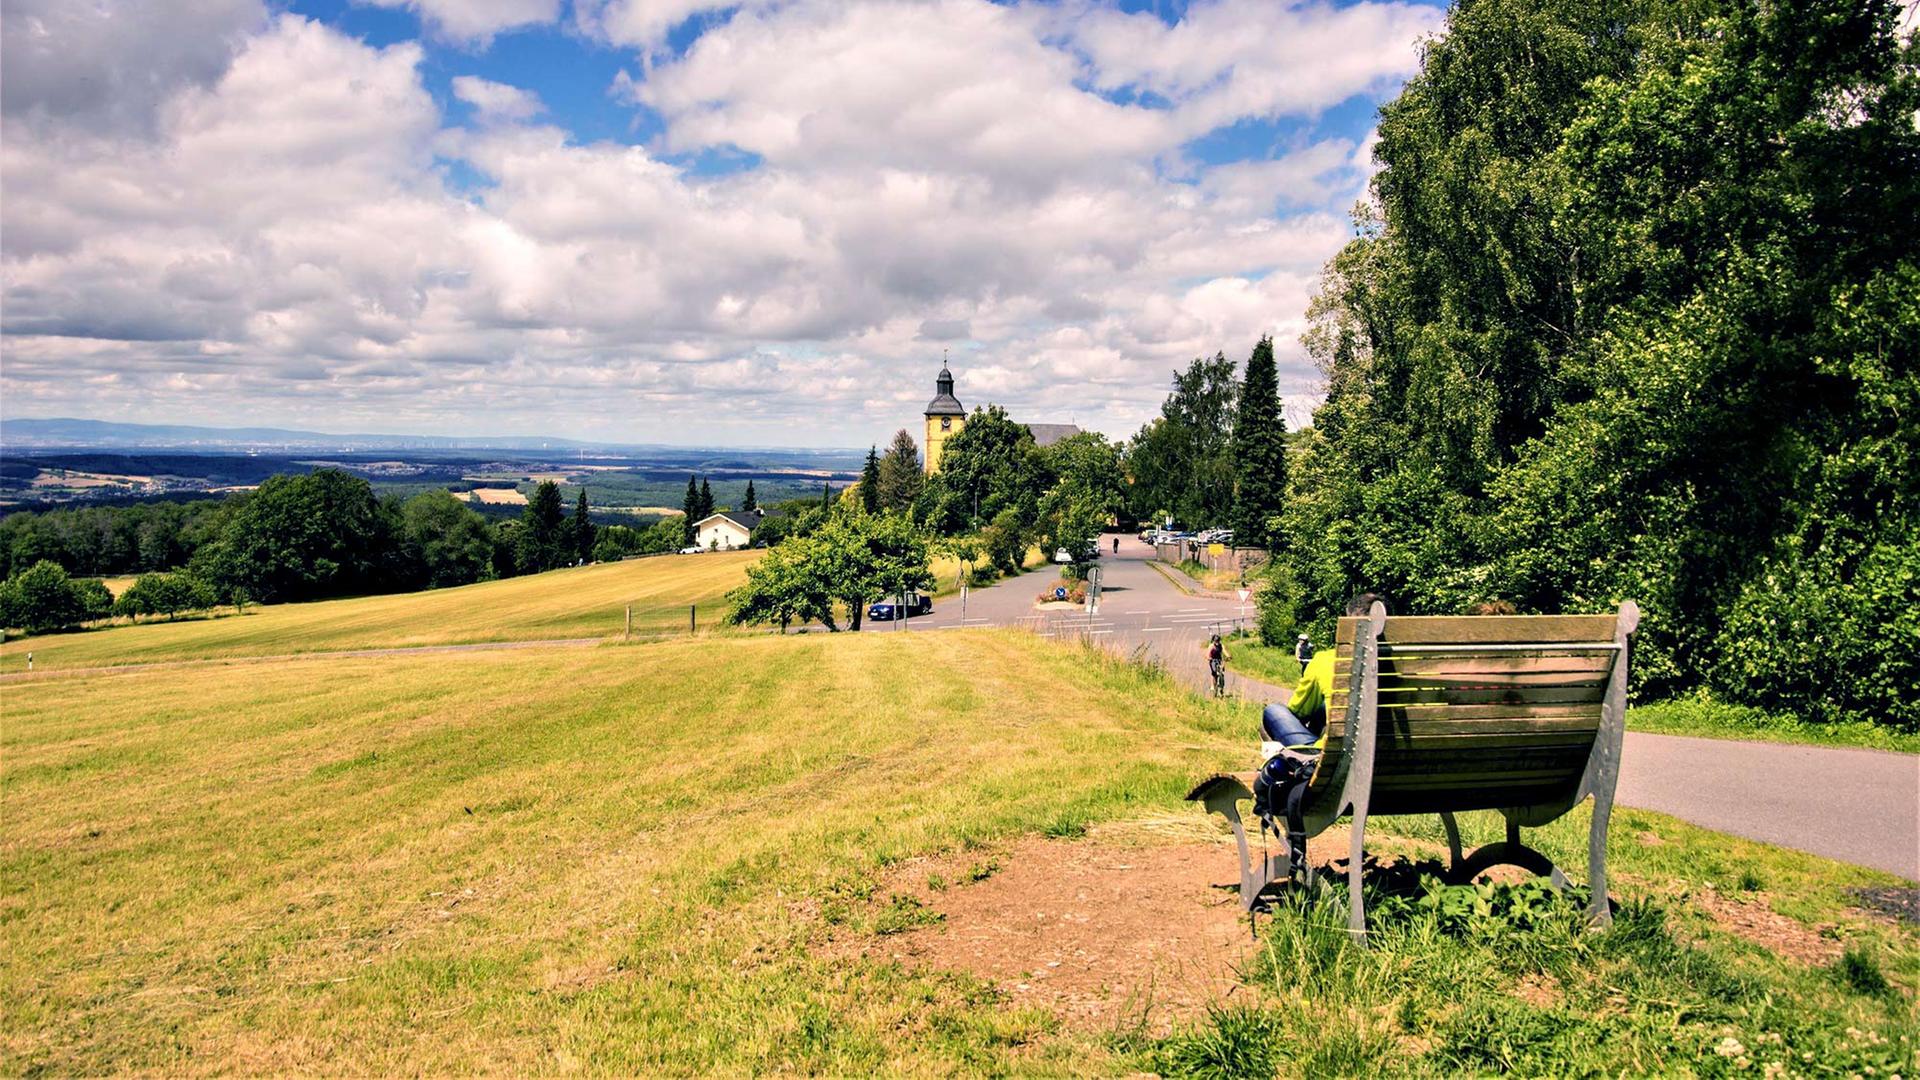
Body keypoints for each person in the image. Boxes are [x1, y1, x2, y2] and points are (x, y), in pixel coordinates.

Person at [1261, 592, 1388, 749]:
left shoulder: (1326, 660)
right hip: (1405, 758)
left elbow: (1298, 710)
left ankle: (1304, 760)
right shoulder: (1412, 668)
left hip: (1336, 756)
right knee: (1322, 709)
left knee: (1273, 711)